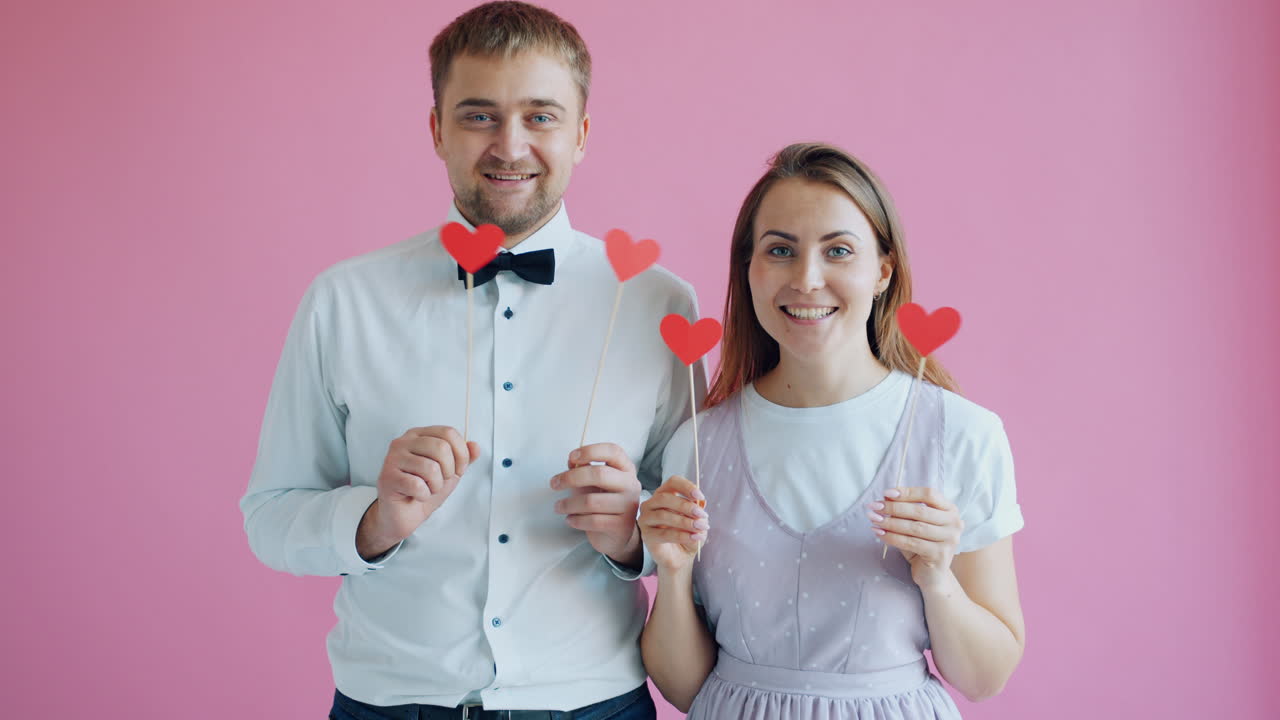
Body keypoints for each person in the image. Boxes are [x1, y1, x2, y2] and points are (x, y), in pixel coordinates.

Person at [240, 3, 701, 718]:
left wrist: (630, 533)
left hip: (595, 703)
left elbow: (700, 521)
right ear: (437, 131)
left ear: (580, 135)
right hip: (386, 702)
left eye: (541, 117)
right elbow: (269, 517)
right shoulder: (342, 301)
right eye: (479, 115)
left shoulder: (658, 305)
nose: (510, 147)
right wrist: (375, 520)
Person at [638, 143, 1026, 718]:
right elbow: (682, 686)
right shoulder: (698, 443)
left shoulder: (962, 434)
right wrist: (672, 575)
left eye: (838, 251)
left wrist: (939, 579)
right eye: (780, 251)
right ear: (749, 269)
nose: (807, 279)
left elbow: (985, 677)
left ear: (882, 271)